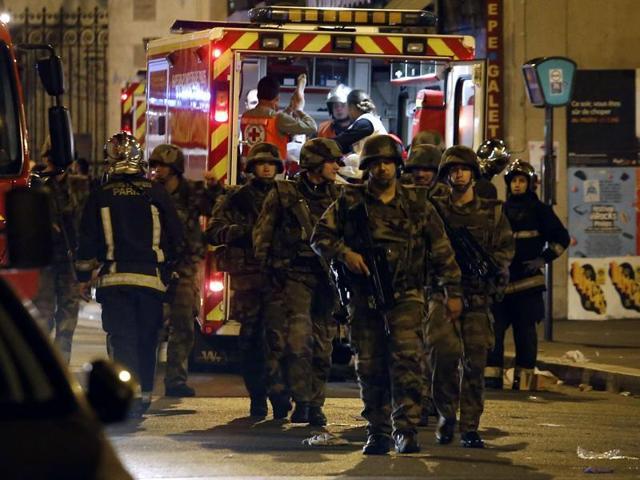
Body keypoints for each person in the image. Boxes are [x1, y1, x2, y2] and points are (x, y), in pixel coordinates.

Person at [310, 134, 463, 455]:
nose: (382, 169)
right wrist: (344, 254)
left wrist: (452, 292)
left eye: (388, 163)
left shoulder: (417, 204)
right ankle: (377, 431)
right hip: (364, 298)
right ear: (367, 167)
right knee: (370, 365)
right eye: (375, 163)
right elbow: (320, 237)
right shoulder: (350, 204)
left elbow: (441, 251)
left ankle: (405, 429)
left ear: (397, 165)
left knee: (408, 361)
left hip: (407, 296)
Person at [75, 132, 182, 418]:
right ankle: (144, 393)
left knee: (122, 339)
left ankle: (127, 394)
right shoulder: (156, 193)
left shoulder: (101, 194)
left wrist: (82, 277)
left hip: (115, 281)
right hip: (151, 281)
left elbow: (86, 241)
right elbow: (176, 236)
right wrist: (170, 272)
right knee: (148, 338)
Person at [253, 138, 344, 425]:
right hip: (293, 277)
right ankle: (301, 400)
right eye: (331, 161)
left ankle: (315, 403)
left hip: (327, 280)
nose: (336, 166)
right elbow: (262, 236)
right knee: (298, 342)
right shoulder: (284, 193)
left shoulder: (339, 195)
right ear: (315, 163)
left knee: (324, 345)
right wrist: (268, 276)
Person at [430, 145, 514, 448]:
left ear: (474, 174)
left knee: (476, 362)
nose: (459, 174)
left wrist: (494, 270)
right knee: (443, 354)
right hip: (442, 293)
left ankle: (469, 426)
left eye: (463, 169)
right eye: (452, 170)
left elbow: (505, 249)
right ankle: (446, 414)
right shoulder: (436, 209)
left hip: (478, 295)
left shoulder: (491, 211)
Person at [206, 142, 283, 418]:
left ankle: (279, 395)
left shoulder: (286, 196)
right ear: (251, 168)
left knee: (278, 339)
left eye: (271, 163)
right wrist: (242, 232)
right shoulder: (236, 197)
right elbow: (214, 231)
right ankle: (258, 397)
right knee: (250, 340)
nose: (266, 167)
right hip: (249, 279)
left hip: (279, 278)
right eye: (261, 163)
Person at [485, 159, 569, 390]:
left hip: (527, 286)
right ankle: (491, 380)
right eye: (514, 181)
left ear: (530, 184)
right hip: (500, 285)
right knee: (493, 336)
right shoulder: (499, 210)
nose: (517, 185)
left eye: (522, 181)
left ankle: (522, 382)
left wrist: (543, 259)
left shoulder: (540, 211)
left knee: (526, 337)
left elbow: (562, 239)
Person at [149, 143, 217, 397]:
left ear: (175, 169)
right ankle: (146, 379)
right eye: (154, 165)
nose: (157, 171)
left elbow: (216, 208)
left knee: (183, 325)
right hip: (156, 267)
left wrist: (215, 188)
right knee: (152, 326)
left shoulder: (192, 193)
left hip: (186, 267)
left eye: (162, 166)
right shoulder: (150, 194)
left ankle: (176, 380)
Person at [31, 138, 81, 364]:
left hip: (69, 261)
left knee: (67, 320)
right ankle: (41, 367)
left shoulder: (79, 186)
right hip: (45, 261)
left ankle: (61, 366)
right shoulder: (37, 184)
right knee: (43, 317)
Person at [240, 75, 317, 162]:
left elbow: (271, 123)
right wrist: (298, 110)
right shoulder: (278, 119)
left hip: (249, 169)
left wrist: (290, 109)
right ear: (277, 98)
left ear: (258, 96)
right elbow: (311, 127)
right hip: (272, 171)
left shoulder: (245, 116)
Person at [333, 89, 387, 158]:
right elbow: (345, 147)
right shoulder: (370, 121)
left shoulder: (365, 122)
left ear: (351, 107)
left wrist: (320, 144)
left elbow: (342, 141)